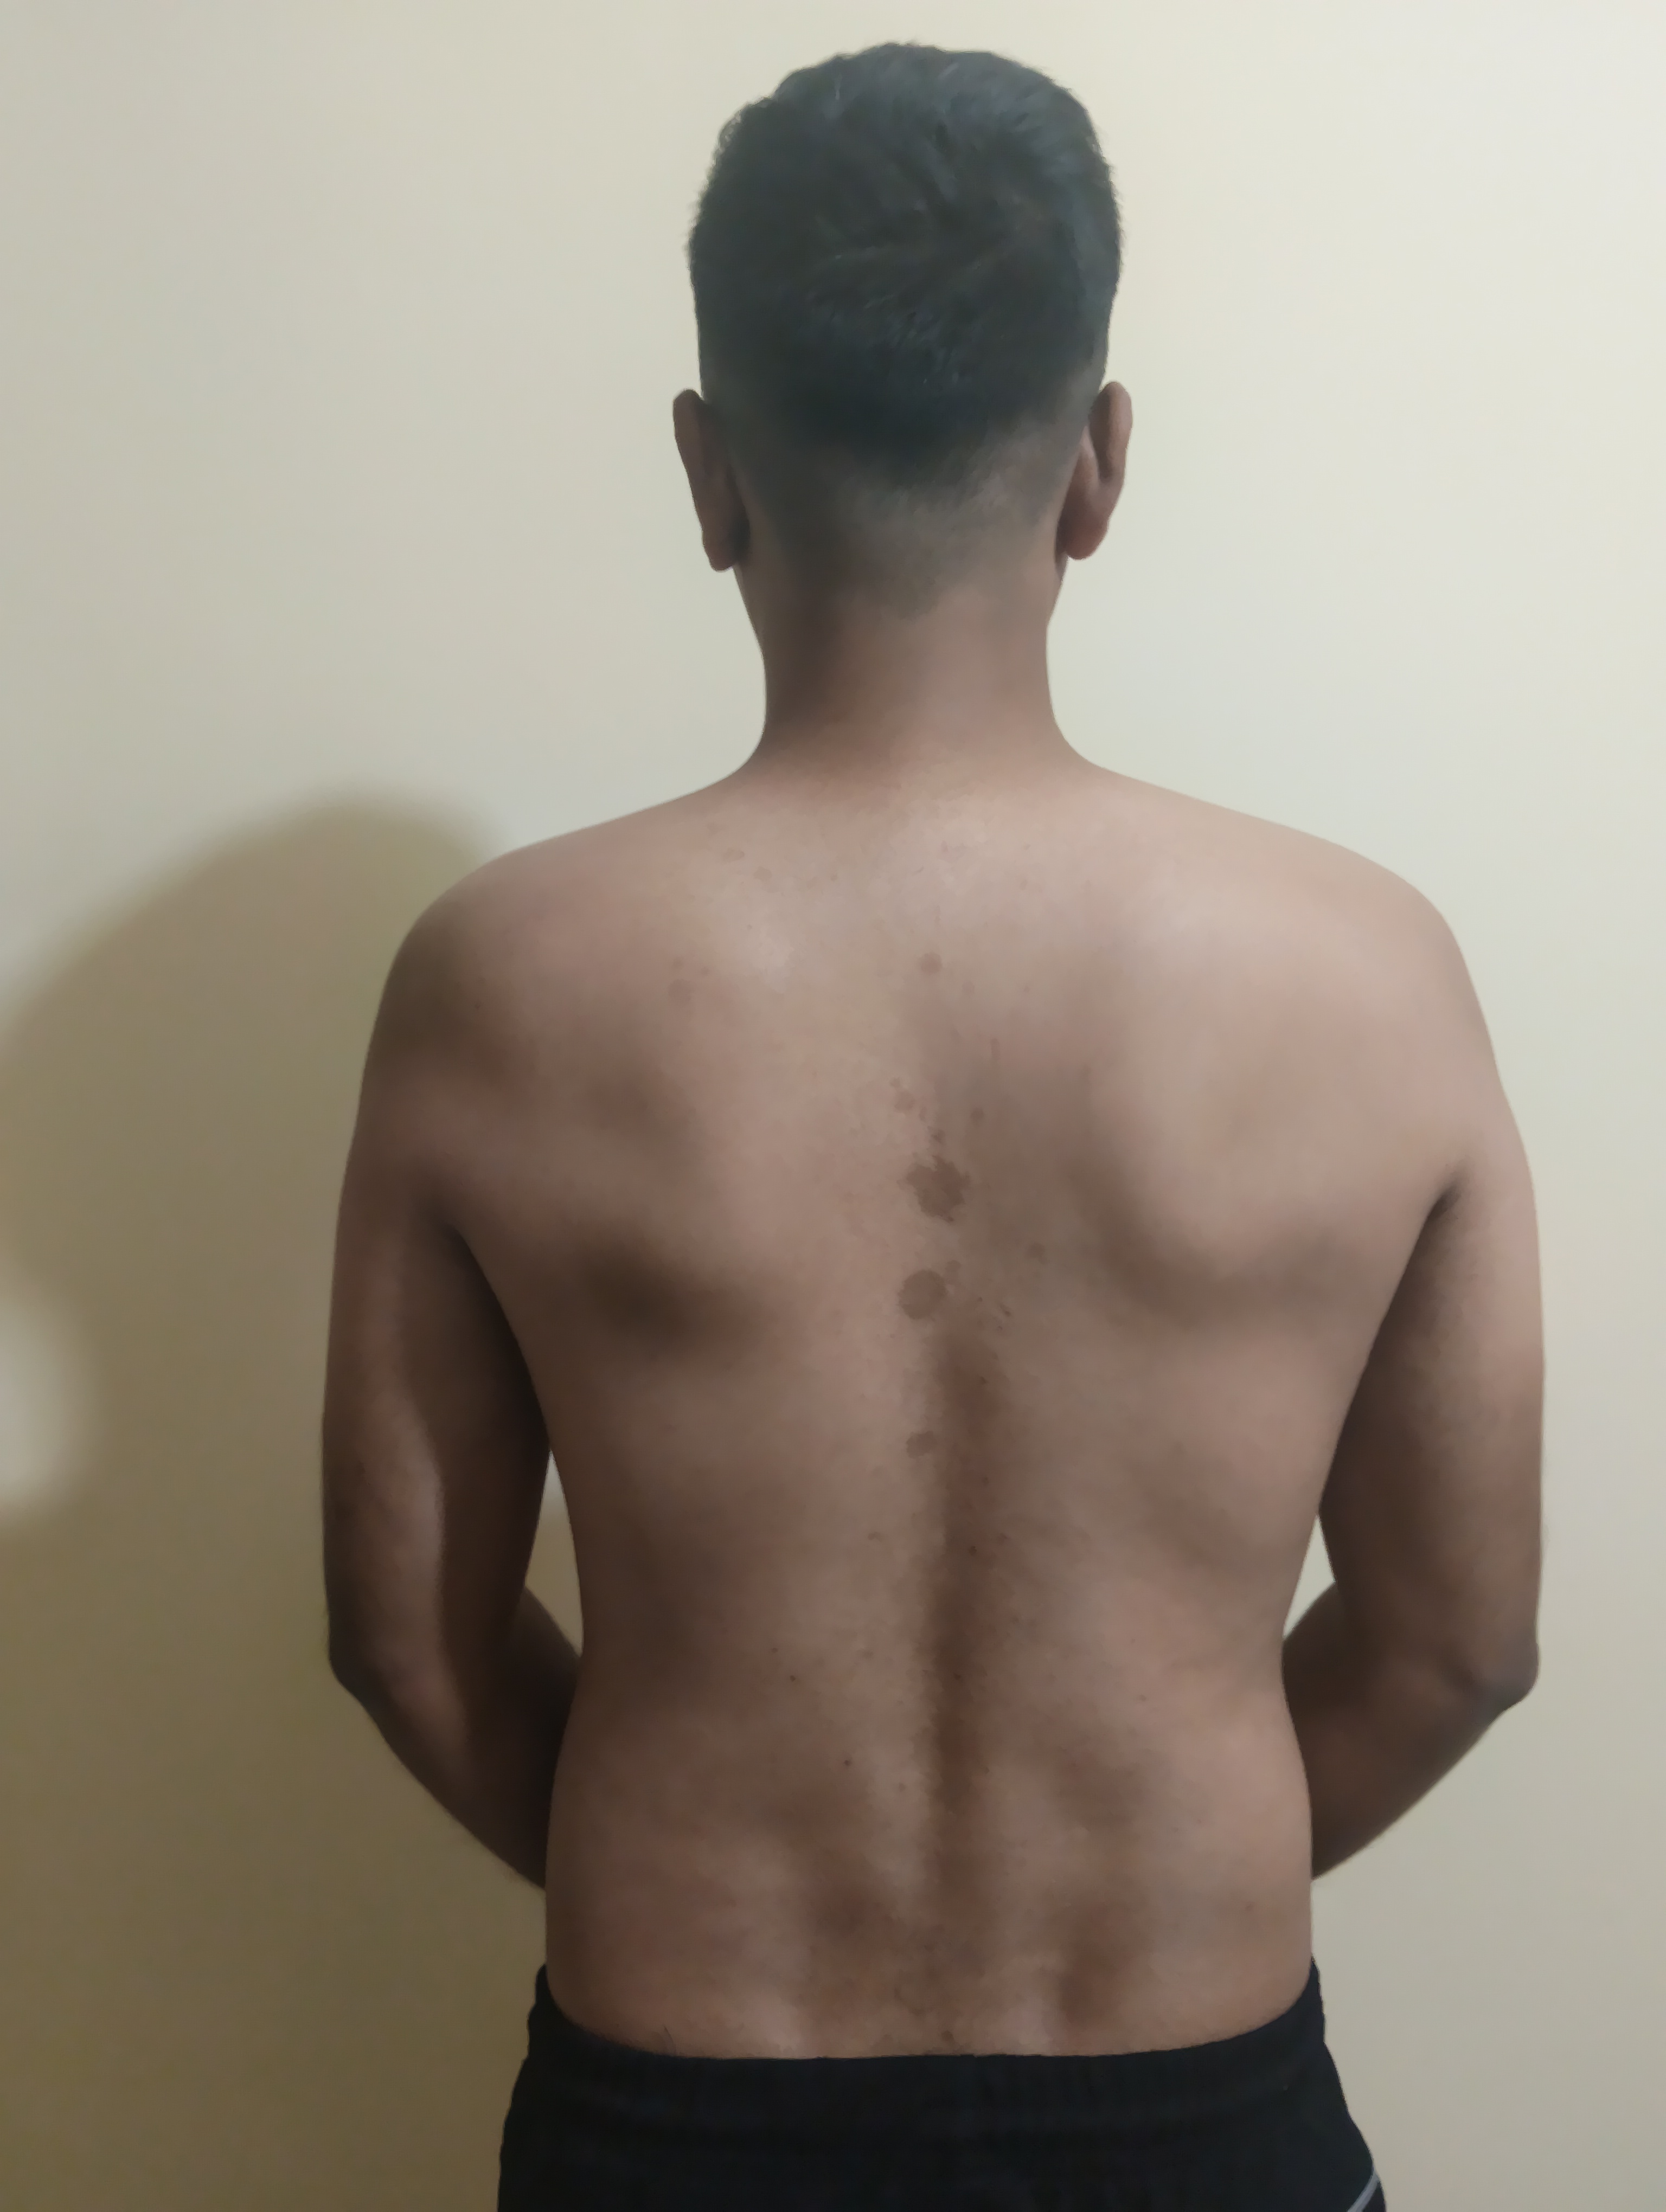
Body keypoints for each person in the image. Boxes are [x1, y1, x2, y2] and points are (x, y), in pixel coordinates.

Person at [321, 42, 1542, 2212]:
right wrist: (1183, 1877)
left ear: (709, 473)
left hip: (676, 2099)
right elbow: (1459, 1640)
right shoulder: (1370, 974)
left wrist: (664, 1877)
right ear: (1100, 464)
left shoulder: (502, 982)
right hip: (1197, 2099)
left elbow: (408, 1639)